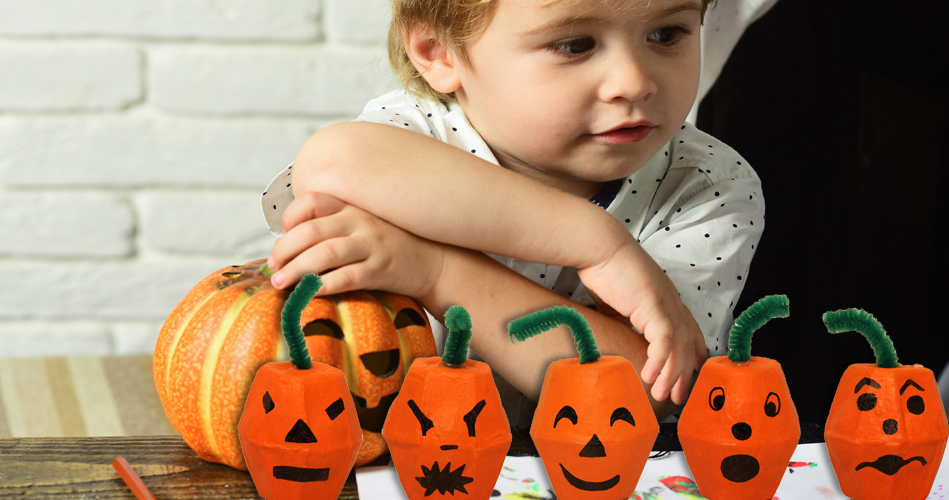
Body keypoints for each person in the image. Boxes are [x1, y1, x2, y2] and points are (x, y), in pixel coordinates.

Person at [260, 0, 764, 422]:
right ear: (437, 52)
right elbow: (329, 163)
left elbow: (644, 396)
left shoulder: (706, 186)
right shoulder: (417, 137)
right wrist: (596, 242)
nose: (633, 83)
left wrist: (436, 273)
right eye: (575, 44)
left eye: (666, 33)